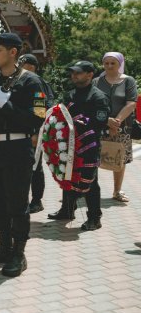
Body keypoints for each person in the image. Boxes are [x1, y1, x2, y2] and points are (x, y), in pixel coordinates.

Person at [0, 33, 45, 277]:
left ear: (13, 52)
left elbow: (37, 118)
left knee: (17, 203)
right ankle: (4, 247)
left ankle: (18, 254)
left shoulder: (32, 82)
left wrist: (9, 105)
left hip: (17, 148)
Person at [47, 61, 109, 230]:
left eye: (78, 73)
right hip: (68, 144)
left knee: (90, 181)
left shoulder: (98, 96)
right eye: (73, 72)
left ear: (90, 74)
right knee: (68, 175)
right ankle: (67, 210)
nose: (74, 75)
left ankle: (94, 218)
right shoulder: (70, 94)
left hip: (89, 146)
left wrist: (80, 121)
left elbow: (100, 121)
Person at [92, 52, 137, 202]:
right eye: (106, 63)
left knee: (119, 158)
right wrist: (106, 121)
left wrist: (116, 122)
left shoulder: (128, 81)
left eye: (113, 63)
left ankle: (117, 191)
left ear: (120, 64)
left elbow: (131, 103)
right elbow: (92, 103)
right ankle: (88, 190)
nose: (109, 66)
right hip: (99, 125)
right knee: (92, 157)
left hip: (122, 126)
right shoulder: (96, 82)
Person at [18, 54, 55, 214]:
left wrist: (36, 133)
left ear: (32, 67)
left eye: (23, 64)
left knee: (34, 167)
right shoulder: (19, 80)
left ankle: (36, 200)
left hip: (34, 132)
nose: (19, 67)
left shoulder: (38, 83)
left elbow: (42, 109)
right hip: (19, 132)